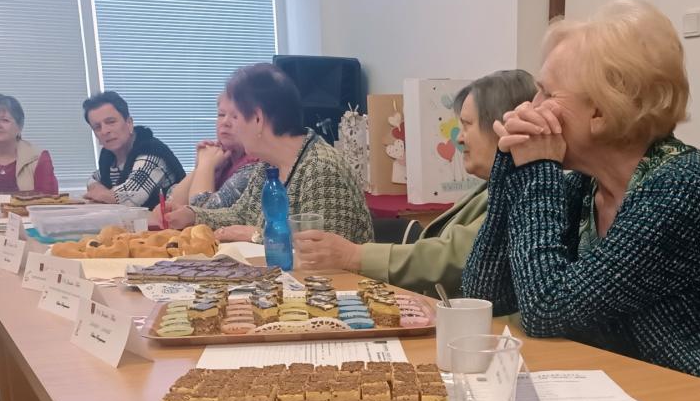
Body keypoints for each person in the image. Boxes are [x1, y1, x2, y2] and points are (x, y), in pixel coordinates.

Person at [461, 0, 700, 401]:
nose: (528, 108)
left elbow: (547, 308)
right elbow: (485, 295)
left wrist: (536, 171)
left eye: (546, 92)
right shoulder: (583, 188)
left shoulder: (684, 187)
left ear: (600, 110)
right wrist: (509, 165)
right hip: (671, 399)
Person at [293, 69, 535, 297]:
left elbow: (454, 255)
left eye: (467, 125)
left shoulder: (524, 192)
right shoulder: (495, 185)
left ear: (501, 128)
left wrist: (354, 255)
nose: (459, 138)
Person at [181, 64, 372, 244]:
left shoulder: (321, 169)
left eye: (236, 117)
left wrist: (256, 236)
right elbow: (240, 214)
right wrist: (192, 215)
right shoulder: (268, 164)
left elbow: (322, 251)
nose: (231, 127)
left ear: (258, 119)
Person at [151, 91, 257, 224]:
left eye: (235, 116)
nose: (225, 122)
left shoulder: (256, 164)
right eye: (221, 115)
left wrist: (206, 165)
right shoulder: (221, 157)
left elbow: (201, 213)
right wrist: (200, 167)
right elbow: (171, 204)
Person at [82, 91, 184, 209]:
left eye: (111, 122)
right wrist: (99, 190)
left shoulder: (151, 151)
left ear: (129, 123)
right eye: (97, 127)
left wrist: (103, 194)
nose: (105, 131)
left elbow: (128, 199)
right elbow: (92, 179)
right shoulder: (109, 157)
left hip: (171, 220)